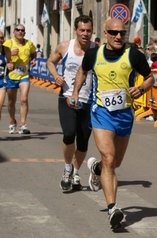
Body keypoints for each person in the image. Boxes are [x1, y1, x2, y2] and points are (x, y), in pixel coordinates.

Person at [70, 18, 155, 230]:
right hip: (101, 113)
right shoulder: (94, 55)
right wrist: (75, 92)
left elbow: (150, 77)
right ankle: (112, 209)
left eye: (122, 33)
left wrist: (142, 88)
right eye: (114, 33)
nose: (118, 36)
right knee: (108, 157)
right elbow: (83, 70)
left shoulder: (133, 54)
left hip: (125, 114)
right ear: (105, 34)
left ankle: (95, 168)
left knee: (114, 163)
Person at [47, 15, 96, 191]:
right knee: (69, 134)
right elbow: (50, 62)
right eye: (82, 30)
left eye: (88, 30)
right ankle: (67, 169)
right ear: (75, 30)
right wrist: (56, 77)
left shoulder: (96, 49)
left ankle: (76, 172)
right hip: (66, 97)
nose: (85, 33)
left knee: (83, 142)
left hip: (88, 101)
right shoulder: (64, 47)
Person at [3, 24, 37, 134]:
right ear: (14, 32)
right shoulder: (8, 43)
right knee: (11, 102)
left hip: (24, 75)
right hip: (11, 75)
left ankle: (23, 124)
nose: (20, 32)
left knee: (24, 98)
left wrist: (34, 59)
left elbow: (33, 52)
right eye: (18, 30)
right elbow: (2, 55)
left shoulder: (29, 43)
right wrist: (10, 55)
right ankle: (12, 121)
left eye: (22, 30)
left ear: (25, 33)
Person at [0, 31, 12, 122]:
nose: (1, 40)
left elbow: (10, 61)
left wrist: (10, 65)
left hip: (1, 81)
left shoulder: (6, 49)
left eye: (2, 37)